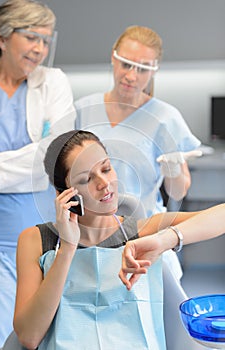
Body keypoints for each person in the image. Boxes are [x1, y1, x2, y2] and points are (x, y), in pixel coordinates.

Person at [13, 129, 225, 350]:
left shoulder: (143, 230)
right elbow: (29, 336)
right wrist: (67, 247)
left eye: (106, 168)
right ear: (65, 195)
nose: (104, 183)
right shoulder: (36, 241)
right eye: (86, 179)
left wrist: (166, 239)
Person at [0, 0, 75, 346]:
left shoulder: (52, 82)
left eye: (46, 40)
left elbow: (51, 156)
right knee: (0, 335)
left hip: (40, 238)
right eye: (31, 38)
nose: (40, 49)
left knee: (39, 333)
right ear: (2, 37)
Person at [75, 25, 201, 218]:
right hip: (90, 229)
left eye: (142, 69)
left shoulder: (166, 118)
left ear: (153, 71)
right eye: (126, 65)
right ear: (113, 57)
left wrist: (173, 170)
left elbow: (178, 193)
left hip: (143, 227)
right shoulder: (82, 110)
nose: (131, 76)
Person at [119, 203, 225, 290]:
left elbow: (221, 215)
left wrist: (164, 240)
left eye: (106, 175)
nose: (105, 184)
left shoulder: (129, 228)